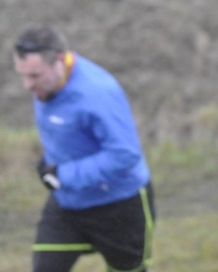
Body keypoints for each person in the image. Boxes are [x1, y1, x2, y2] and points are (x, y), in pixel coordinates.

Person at [12, 24, 155, 272]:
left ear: (59, 61)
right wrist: (50, 163)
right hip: (68, 203)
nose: (27, 85)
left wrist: (64, 175)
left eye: (34, 76)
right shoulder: (47, 84)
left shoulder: (97, 93)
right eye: (22, 75)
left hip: (119, 205)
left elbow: (125, 154)